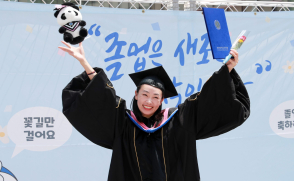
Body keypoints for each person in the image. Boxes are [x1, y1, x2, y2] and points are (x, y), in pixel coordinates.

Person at [60, 41, 250, 181]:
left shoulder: (180, 120)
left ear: (162, 100)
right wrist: (85, 63)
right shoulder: (122, 123)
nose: (149, 101)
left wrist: (227, 69)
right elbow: (102, 100)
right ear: (136, 94)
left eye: (155, 96)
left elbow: (209, 101)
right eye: (145, 94)